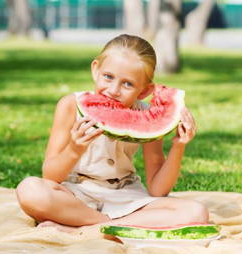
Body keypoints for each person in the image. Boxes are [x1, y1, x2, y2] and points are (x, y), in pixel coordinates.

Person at [16, 34, 209, 234]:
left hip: (125, 195)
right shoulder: (70, 105)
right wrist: (75, 149)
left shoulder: (147, 115)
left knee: (197, 212)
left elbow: (157, 190)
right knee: (30, 190)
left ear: (144, 91)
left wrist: (179, 145)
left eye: (128, 84)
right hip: (76, 193)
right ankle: (111, 224)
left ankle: (85, 227)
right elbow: (50, 175)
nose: (114, 90)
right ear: (95, 70)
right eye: (108, 77)